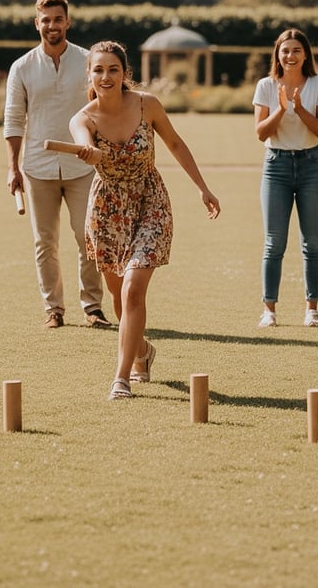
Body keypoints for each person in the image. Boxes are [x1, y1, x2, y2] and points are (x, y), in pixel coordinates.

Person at [69, 41, 220, 400]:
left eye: (113, 70)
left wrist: (202, 188)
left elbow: (176, 144)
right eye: (99, 70)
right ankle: (141, 351)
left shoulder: (147, 104)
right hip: (107, 211)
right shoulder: (83, 118)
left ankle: (121, 377)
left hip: (150, 202)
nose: (106, 76)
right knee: (118, 295)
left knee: (134, 287)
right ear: (89, 74)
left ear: (125, 73)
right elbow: (81, 140)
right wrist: (88, 151)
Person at [4, 0, 110, 329]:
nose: (52, 25)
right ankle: (54, 309)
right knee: (44, 242)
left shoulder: (88, 61)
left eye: (58, 19)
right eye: (45, 20)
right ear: (37, 23)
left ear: (68, 21)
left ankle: (92, 308)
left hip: (83, 167)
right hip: (37, 167)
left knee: (87, 237)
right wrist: (13, 166)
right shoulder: (21, 67)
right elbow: (13, 118)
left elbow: (104, 106)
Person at [252, 28, 318, 329]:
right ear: (278, 54)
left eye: (296, 50)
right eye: (285, 50)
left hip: (312, 165)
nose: (290, 55)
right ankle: (268, 310)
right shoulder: (266, 86)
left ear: (305, 55)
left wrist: (299, 108)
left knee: (311, 243)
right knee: (274, 243)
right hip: (276, 166)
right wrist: (282, 109)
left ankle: (312, 308)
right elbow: (261, 132)